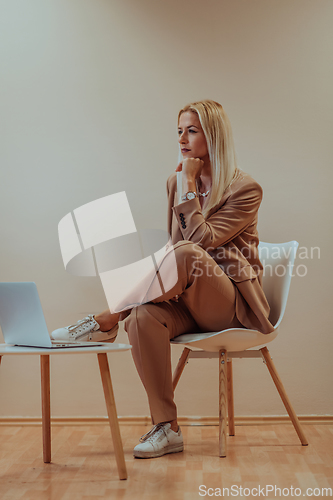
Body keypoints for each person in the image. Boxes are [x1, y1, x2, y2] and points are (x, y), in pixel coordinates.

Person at [52, 99, 274, 459]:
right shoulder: (175, 182)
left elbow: (197, 243)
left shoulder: (245, 189)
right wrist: (183, 183)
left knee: (187, 254)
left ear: (213, 135)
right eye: (179, 132)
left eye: (192, 130)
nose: (183, 139)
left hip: (230, 305)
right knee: (142, 317)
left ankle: (106, 318)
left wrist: (188, 182)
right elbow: (175, 247)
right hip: (187, 295)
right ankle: (167, 428)